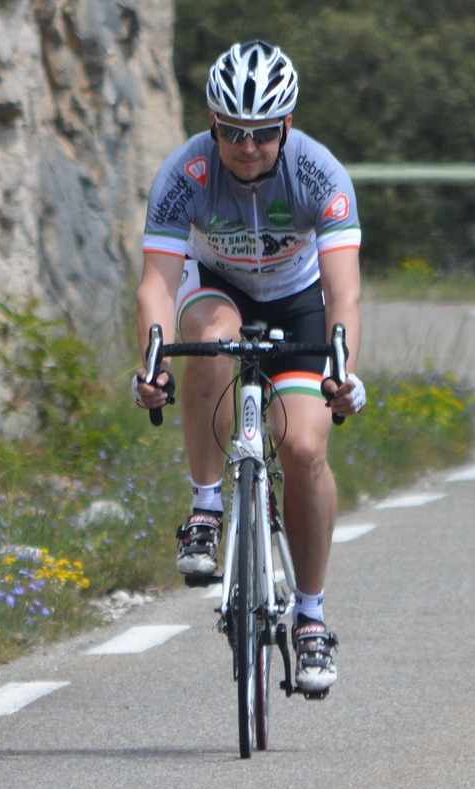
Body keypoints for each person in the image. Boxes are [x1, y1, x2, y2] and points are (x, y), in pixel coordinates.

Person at [132, 40, 365, 694]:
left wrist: (343, 369)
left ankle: (312, 618)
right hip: (218, 288)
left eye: (263, 133)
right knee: (209, 336)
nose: (248, 146)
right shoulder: (186, 174)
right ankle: (206, 506)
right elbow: (156, 281)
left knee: (303, 446)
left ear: (286, 125)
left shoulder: (319, 174)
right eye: (232, 131)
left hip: (299, 301)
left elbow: (344, 290)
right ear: (213, 124)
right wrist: (151, 360)